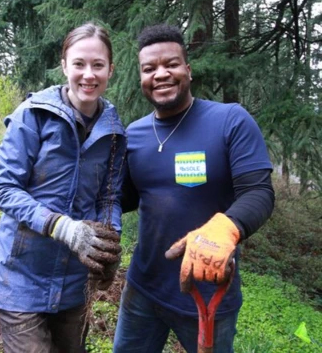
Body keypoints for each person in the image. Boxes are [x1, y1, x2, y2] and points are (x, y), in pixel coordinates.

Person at [113, 24, 275, 353]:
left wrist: (227, 227)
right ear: (141, 77)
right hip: (143, 289)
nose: (160, 74)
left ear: (188, 69)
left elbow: (258, 192)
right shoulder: (135, 133)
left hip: (209, 290)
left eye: (171, 64)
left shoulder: (230, 120)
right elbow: (125, 198)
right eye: (149, 69)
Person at [0, 22, 126, 353]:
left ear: (111, 69)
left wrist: (107, 244)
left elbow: (109, 196)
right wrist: (61, 226)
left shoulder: (114, 131)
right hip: (19, 278)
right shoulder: (32, 116)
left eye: (98, 65)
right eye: (79, 64)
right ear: (64, 65)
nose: (88, 75)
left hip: (74, 282)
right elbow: (5, 188)